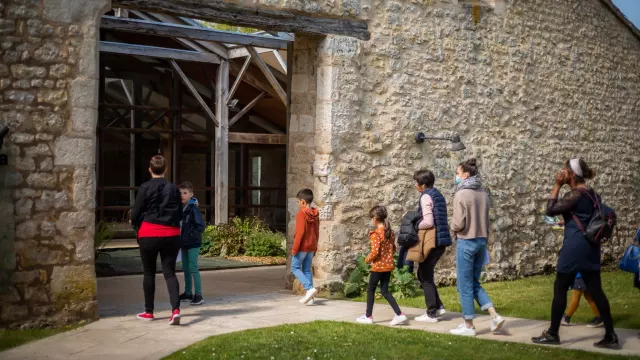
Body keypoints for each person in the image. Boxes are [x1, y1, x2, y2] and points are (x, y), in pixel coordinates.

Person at [532, 158, 618, 348]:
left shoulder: (575, 195)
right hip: (591, 248)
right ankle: (611, 335)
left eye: (565, 170)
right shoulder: (593, 194)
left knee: (560, 288)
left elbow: (550, 210)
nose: (561, 172)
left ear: (571, 175)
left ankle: (553, 333)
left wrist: (556, 185)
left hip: (574, 248)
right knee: (596, 291)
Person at [449, 158, 505, 336]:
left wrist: (452, 226)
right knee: (473, 282)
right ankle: (494, 315)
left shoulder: (461, 194)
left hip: (466, 241)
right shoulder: (483, 193)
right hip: (482, 240)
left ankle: (468, 325)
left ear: (465, 175)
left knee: (464, 285)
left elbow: (458, 223)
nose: (456, 177)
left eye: (457, 174)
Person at [131, 155, 183, 325]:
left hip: (149, 233)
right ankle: (175, 310)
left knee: (149, 272)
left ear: (150, 169)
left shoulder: (145, 187)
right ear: (165, 170)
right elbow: (179, 213)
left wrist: (136, 227)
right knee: (169, 272)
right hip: (172, 234)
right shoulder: (174, 189)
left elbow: (135, 213)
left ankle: (149, 311)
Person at [357, 206, 408, 326]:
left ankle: (368, 316)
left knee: (370, 290)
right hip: (388, 266)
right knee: (385, 291)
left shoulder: (376, 234)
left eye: (371, 218)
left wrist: (367, 260)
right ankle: (399, 314)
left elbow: (375, 252)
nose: (371, 221)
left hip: (378, 267)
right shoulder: (389, 233)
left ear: (375, 219)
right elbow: (393, 249)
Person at [412, 169, 452, 323]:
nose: (415, 185)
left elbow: (428, 222)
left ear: (423, 184)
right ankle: (439, 306)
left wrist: (415, 225)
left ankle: (431, 313)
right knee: (424, 274)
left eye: (417, 182)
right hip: (440, 241)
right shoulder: (438, 194)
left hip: (432, 241)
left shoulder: (425, 196)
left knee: (425, 276)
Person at [178, 182, 205, 306]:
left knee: (193, 268)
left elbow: (200, 226)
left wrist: (190, 236)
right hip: (184, 243)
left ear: (191, 194)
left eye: (185, 193)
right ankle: (188, 293)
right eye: (180, 193)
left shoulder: (193, 208)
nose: (182, 195)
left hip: (192, 243)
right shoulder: (182, 208)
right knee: (185, 268)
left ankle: (198, 295)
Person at [291, 188, 320, 305]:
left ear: (303, 202)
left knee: (295, 268)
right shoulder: (316, 214)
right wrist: (315, 247)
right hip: (311, 246)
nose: (298, 204)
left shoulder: (301, 214)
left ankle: (309, 289)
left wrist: (294, 248)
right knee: (307, 269)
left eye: (298, 202)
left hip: (302, 247)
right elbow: (317, 232)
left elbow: (300, 233)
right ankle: (311, 299)